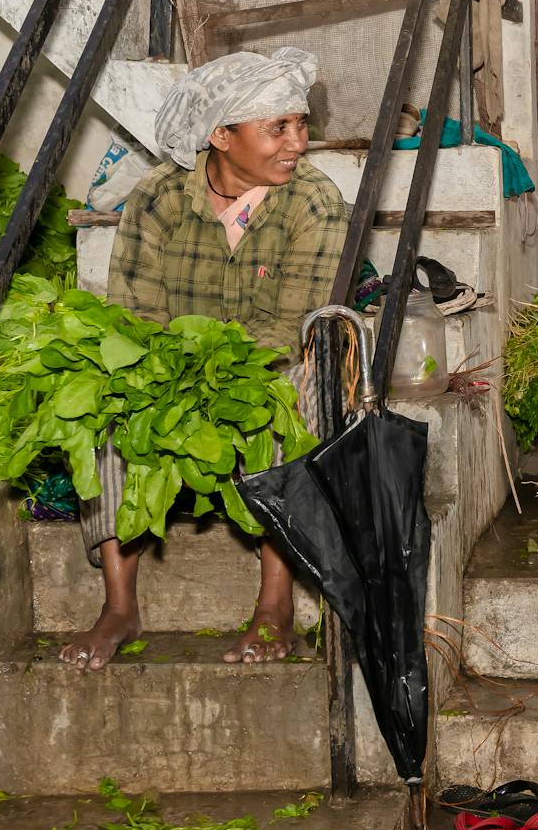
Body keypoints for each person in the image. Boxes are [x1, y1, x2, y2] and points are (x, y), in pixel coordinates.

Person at [60, 47, 347, 669]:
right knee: (101, 407)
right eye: (279, 128)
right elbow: (136, 313)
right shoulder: (159, 198)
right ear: (221, 135)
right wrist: (172, 384)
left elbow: (289, 325)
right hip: (178, 369)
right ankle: (119, 604)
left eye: (301, 124)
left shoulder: (315, 203)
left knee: (292, 397)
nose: (297, 142)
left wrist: (217, 382)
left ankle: (275, 604)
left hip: (262, 366)